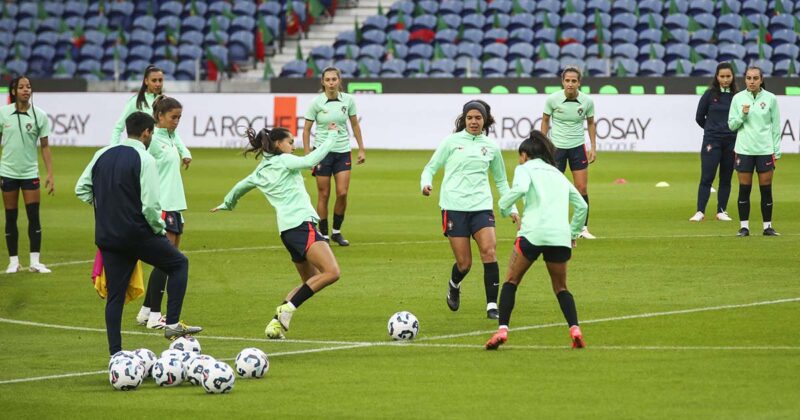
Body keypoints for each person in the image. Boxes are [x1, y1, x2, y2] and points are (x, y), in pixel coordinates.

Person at [75, 112, 201, 355]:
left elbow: (81, 189)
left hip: (108, 235)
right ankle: (172, 324)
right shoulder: (144, 158)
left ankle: (116, 353)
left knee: (115, 296)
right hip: (137, 233)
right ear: (146, 133)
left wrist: (108, 208)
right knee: (178, 263)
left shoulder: (102, 153)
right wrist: (158, 229)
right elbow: (151, 205)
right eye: (151, 133)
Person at [212, 124, 340, 339]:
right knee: (331, 272)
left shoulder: (260, 171)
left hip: (287, 232)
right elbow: (309, 161)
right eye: (290, 142)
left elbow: (240, 186)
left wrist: (227, 203)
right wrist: (332, 137)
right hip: (302, 224)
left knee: (308, 282)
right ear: (278, 144)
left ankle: (274, 324)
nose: (293, 146)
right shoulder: (284, 160)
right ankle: (286, 309)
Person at [485, 131, 588, 350]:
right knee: (561, 287)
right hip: (559, 237)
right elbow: (582, 206)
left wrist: (503, 206)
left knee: (511, 281)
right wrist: (572, 233)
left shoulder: (524, 169)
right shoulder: (558, 174)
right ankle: (575, 329)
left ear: (525, 154)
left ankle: (502, 329)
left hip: (532, 234)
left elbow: (520, 189)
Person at [420, 100, 518, 320]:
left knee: (489, 252)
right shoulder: (451, 142)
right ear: (464, 119)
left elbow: (502, 181)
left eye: (478, 118)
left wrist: (511, 207)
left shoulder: (491, 147)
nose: (474, 122)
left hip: (481, 207)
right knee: (465, 264)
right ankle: (454, 284)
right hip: (453, 207)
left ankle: (492, 305)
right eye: (470, 118)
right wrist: (425, 183)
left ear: (485, 120)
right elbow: (431, 167)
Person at [134, 95, 193, 330]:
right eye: (173, 117)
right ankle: (156, 315)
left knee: (171, 260)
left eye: (179, 117)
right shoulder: (154, 141)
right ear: (159, 117)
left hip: (176, 204)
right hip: (163, 205)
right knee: (165, 260)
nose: (177, 121)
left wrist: (186, 153)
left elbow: (179, 141)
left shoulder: (170, 136)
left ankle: (146, 310)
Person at [302, 67, 366, 246]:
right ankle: (323, 234)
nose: (331, 83)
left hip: (343, 150)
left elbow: (355, 125)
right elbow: (306, 129)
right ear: (322, 82)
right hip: (321, 153)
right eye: (328, 80)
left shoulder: (348, 100)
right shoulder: (316, 103)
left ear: (339, 81)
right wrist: (308, 154)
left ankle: (337, 231)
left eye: (334, 79)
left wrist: (361, 149)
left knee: (342, 193)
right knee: (324, 194)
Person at [0, 76, 54, 274]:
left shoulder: (39, 115)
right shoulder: (3, 113)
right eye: (21, 87)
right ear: (14, 91)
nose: (26, 90)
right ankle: (13, 262)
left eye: (28, 86)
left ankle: (35, 261)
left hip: (30, 172)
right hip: (8, 172)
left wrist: (50, 174)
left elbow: (45, 146)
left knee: (34, 216)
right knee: (10, 217)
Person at [540, 66, 596, 239]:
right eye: (567, 80)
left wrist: (593, 147)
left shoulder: (587, 101)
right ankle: (553, 226)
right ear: (562, 82)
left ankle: (582, 228)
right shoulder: (552, 99)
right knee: (554, 189)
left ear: (579, 83)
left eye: (574, 81)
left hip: (578, 147)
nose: (570, 84)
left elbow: (591, 123)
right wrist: (542, 145)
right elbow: (545, 120)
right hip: (556, 148)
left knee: (581, 188)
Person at [728, 66, 782, 237]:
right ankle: (744, 227)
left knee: (766, 189)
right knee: (745, 189)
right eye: (749, 78)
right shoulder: (737, 98)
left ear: (761, 79)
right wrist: (742, 115)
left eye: (755, 78)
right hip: (744, 150)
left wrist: (777, 151)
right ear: (745, 79)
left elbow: (776, 126)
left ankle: (768, 227)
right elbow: (732, 125)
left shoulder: (771, 99)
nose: (752, 81)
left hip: (765, 150)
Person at [690, 62, 738, 222]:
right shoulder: (709, 95)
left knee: (726, 178)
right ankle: (700, 211)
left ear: (733, 77)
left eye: (728, 76)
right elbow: (699, 117)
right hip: (712, 141)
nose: (725, 79)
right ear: (717, 77)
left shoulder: (737, 96)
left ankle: (721, 211)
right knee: (707, 177)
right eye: (722, 76)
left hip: (731, 142)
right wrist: (711, 130)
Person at [110, 65, 163, 145]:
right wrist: (112, 149)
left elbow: (172, 132)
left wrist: (184, 152)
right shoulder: (136, 101)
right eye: (154, 80)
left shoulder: (165, 101)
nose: (158, 84)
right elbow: (118, 127)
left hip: (160, 152)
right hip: (141, 150)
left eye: (160, 80)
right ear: (146, 81)